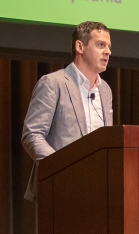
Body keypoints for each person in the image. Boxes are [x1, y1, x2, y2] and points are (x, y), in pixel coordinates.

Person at [21, 21, 113, 202]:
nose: (108, 52)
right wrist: (64, 167)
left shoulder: (105, 90)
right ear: (80, 46)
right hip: (60, 189)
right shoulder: (53, 83)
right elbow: (32, 135)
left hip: (98, 189)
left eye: (109, 47)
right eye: (101, 45)